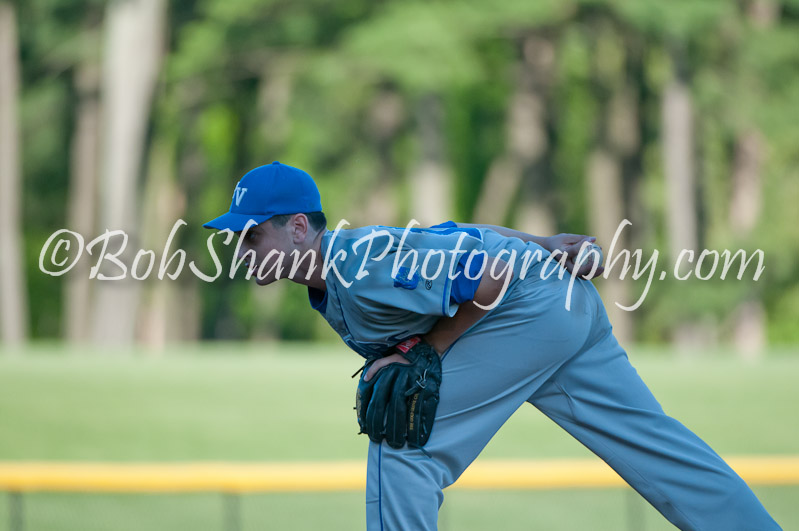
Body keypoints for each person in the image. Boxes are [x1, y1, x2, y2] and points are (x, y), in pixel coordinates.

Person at [204, 161, 781, 531]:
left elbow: (487, 278)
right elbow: (464, 237)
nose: (242, 245)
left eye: (252, 232)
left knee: (404, 443)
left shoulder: (359, 264)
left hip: (526, 309)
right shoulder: (343, 266)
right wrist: (546, 243)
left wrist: (424, 351)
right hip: (563, 307)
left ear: (299, 227)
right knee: (655, 445)